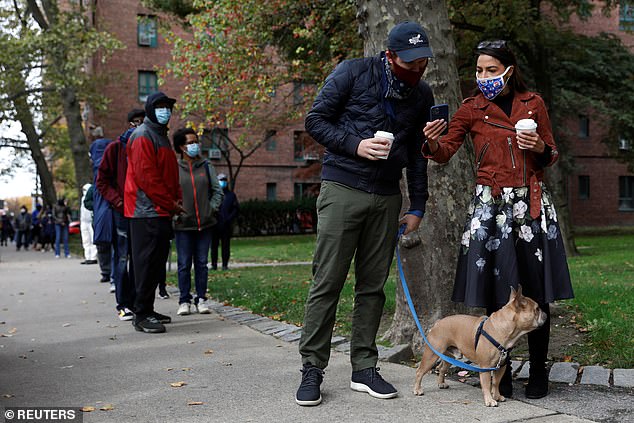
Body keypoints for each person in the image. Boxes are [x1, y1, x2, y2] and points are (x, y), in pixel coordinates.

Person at [422, 40, 574, 400]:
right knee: (497, 290)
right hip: (491, 209)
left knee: (535, 292)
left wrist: (537, 146)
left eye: (491, 70)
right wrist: (429, 142)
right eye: (479, 71)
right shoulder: (472, 107)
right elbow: (444, 152)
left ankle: (538, 371)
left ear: (509, 69)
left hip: (530, 207)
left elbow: (551, 153)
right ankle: (496, 372)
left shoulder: (533, 103)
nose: (484, 77)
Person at [295, 21, 433, 406]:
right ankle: (312, 369)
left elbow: (418, 157)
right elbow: (315, 120)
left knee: (372, 288)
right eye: (410, 62)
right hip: (342, 187)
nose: (418, 68)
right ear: (390, 56)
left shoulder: (422, 94)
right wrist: (356, 145)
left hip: (388, 197)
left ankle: (364, 368)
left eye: (423, 62)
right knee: (328, 282)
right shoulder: (353, 71)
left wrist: (417, 205)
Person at [125, 91, 184, 334]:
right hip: (145, 211)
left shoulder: (160, 136)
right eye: (160, 106)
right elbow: (147, 179)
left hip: (159, 210)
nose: (166, 111)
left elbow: (169, 175)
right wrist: (171, 203)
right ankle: (141, 314)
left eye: (168, 107)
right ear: (150, 109)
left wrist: (174, 200)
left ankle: (147, 308)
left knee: (155, 263)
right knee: (146, 263)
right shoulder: (143, 136)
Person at [97, 108, 145, 321]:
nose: (139, 125)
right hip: (121, 212)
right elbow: (102, 181)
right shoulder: (115, 149)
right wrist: (117, 200)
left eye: (143, 122)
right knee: (122, 257)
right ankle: (123, 304)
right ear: (128, 124)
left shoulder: (145, 147)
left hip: (142, 212)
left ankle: (138, 302)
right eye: (135, 122)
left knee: (139, 259)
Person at [172, 128, 223, 316]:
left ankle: (201, 299)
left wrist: (211, 209)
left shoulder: (206, 165)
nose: (195, 145)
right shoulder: (174, 167)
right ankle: (184, 300)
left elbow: (217, 191)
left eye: (196, 141)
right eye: (190, 142)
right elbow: (169, 195)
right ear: (181, 147)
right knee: (184, 264)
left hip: (205, 224)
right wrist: (176, 214)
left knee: (202, 263)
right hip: (183, 225)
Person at [90, 136, 115, 291]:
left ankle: (107, 273)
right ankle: (113, 275)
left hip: (102, 211)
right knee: (116, 244)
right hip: (114, 208)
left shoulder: (97, 171)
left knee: (104, 243)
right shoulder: (112, 165)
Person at [210, 173, 238, 271]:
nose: (222, 182)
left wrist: (229, 219)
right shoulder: (214, 194)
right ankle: (214, 265)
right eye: (220, 180)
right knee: (214, 246)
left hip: (226, 225)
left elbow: (235, 209)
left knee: (226, 246)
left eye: (224, 180)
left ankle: (225, 265)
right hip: (214, 224)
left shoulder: (231, 195)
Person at [79, 184, 98, 265]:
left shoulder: (92, 199)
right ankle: (87, 257)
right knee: (86, 240)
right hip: (84, 222)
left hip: (90, 221)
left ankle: (93, 257)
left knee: (92, 240)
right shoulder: (83, 199)